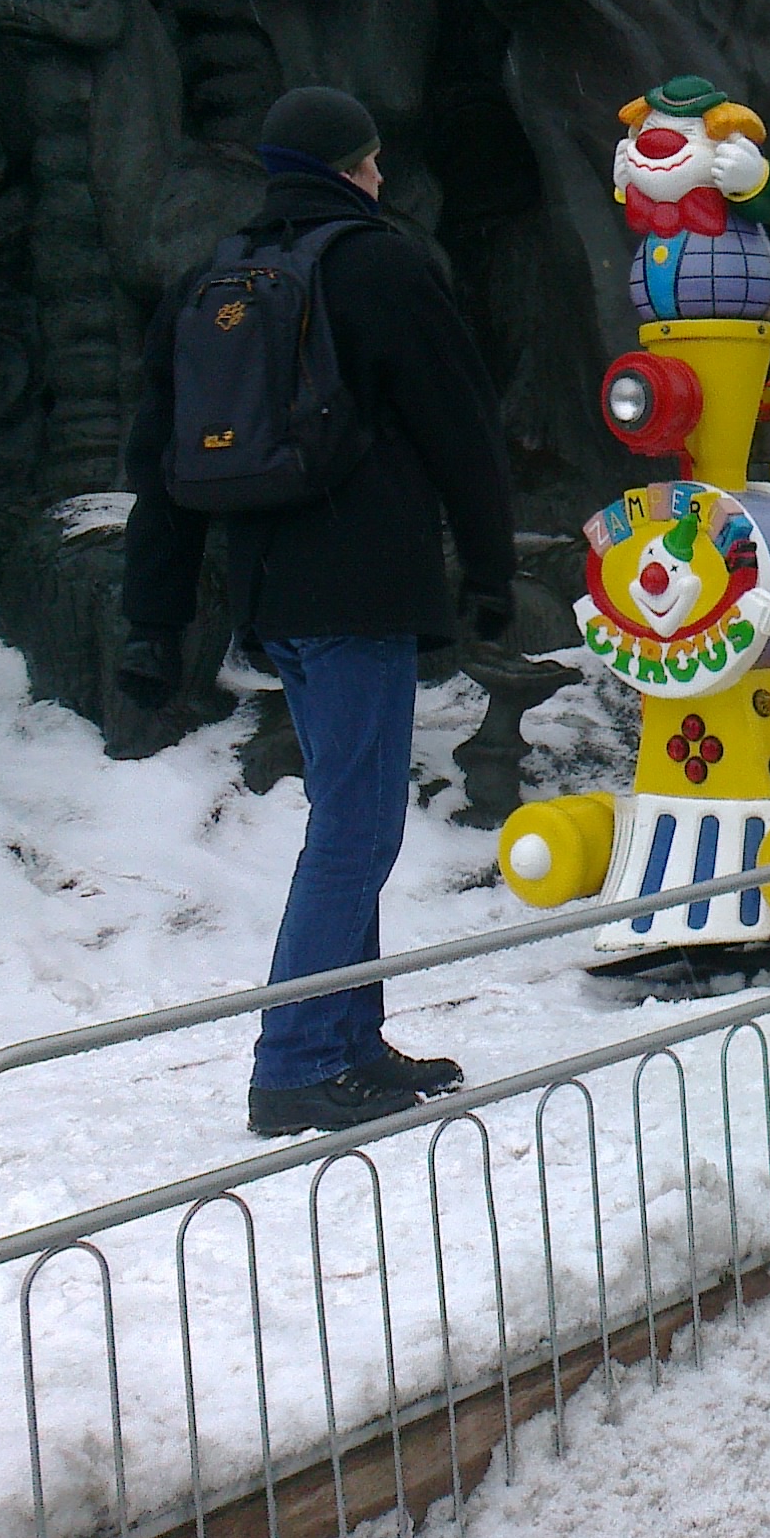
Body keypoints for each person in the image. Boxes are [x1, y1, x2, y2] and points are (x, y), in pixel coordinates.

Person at [120, 86, 516, 1137]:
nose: (381, 179)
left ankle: (347, 1039)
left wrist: (151, 620)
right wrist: (489, 569)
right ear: (348, 167)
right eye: (374, 162)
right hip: (362, 588)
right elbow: (462, 425)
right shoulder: (377, 264)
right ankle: (293, 1061)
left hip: (270, 589)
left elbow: (157, 458)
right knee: (355, 827)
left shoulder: (214, 275)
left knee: (354, 816)